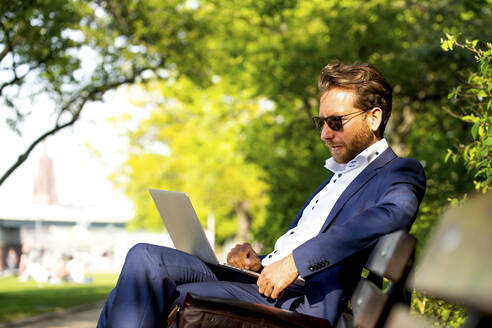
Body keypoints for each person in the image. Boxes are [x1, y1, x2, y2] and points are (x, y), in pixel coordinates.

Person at [97, 62, 426, 328]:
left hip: (300, 300)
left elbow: (391, 216)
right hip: (266, 281)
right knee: (143, 263)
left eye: (336, 122)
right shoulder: (337, 176)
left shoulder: (399, 172)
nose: (325, 134)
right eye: (321, 122)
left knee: (151, 273)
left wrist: (297, 262)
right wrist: (261, 261)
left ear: (374, 117)